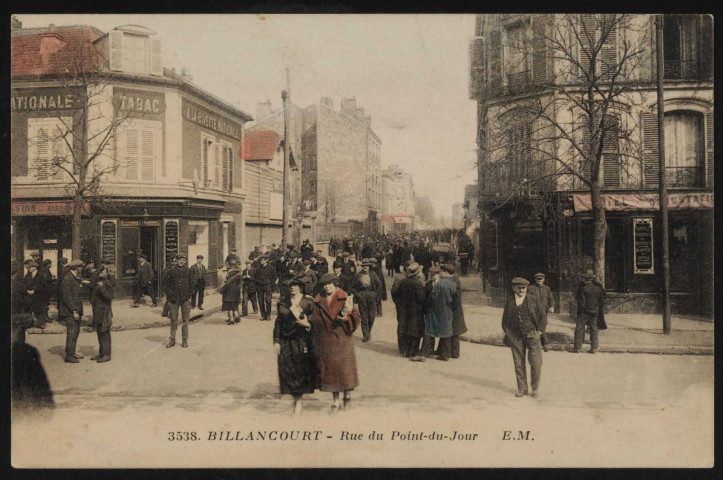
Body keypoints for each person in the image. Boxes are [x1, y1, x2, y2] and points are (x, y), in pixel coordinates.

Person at [310, 273, 361, 414]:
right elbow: (314, 318)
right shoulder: (319, 300)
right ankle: (335, 402)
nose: (327, 287)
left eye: (329, 284)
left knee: (344, 371)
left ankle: (347, 395)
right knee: (331, 374)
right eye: (325, 285)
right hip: (326, 340)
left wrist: (345, 318)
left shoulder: (345, 298)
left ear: (335, 284)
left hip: (342, 339)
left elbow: (356, 317)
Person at [273, 278, 317, 415]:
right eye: (290, 286)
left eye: (295, 286)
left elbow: (315, 320)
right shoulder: (282, 303)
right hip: (286, 341)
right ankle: (294, 396)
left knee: (300, 370)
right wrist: (276, 341)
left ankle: (299, 401)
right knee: (287, 369)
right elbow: (278, 323)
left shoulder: (308, 302)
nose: (292, 288)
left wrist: (308, 324)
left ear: (301, 288)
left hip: (302, 340)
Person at [501, 277, 546, 397]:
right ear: (513, 288)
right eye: (519, 288)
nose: (522, 290)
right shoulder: (509, 301)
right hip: (515, 335)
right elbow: (505, 320)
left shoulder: (533, 300)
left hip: (532, 334)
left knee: (536, 362)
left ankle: (535, 388)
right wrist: (508, 332)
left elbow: (543, 317)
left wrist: (539, 332)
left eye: (524, 288)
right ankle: (522, 389)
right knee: (518, 363)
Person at [411, 265, 456, 362]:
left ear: (439, 274)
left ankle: (425, 354)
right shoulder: (450, 283)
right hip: (443, 312)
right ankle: (441, 353)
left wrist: (427, 307)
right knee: (443, 332)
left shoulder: (440, 284)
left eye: (434, 274)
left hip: (436, 312)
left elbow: (432, 298)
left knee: (431, 331)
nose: (432, 276)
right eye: (430, 274)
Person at [392, 262, 426, 358]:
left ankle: (407, 351)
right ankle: (414, 352)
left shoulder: (404, 282)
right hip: (416, 311)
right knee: (416, 330)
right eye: (420, 271)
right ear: (417, 273)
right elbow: (421, 298)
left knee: (407, 329)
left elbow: (397, 294)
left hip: (406, 310)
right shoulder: (417, 283)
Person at [573, 269, 607, 354]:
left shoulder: (583, 288)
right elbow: (602, 300)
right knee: (594, 328)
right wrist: (597, 308)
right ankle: (594, 347)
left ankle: (578, 347)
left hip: (584, 312)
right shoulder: (598, 288)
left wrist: (581, 310)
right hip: (594, 311)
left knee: (580, 328)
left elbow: (581, 301)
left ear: (585, 279)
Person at [164, 253, 193, 348]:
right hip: (173, 299)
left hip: (185, 298)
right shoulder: (170, 271)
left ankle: (184, 340)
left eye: (184, 260)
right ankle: (172, 339)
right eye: (180, 260)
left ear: (186, 261)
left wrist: (188, 295)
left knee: (185, 320)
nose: (181, 261)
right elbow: (166, 285)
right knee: (173, 320)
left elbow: (193, 285)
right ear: (176, 260)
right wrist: (170, 295)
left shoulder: (189, 271)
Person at [60, 260, 85, 363]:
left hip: (75, 310)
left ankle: (72, 352)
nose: (82, 269)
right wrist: (74, 311)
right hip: (70, 311)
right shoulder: (67, 279)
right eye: (80, 267)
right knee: (72, 332)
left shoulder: (74, 278)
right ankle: (69, 355)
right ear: (76, 268)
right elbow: (67, 298)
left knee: (75, 331)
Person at [351, 259, 381, 342]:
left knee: (371, 317)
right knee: (364, 318)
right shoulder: (358, 275)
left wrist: (375, 294)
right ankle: (365, 335)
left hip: (371, 296)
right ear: (362, 267)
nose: (365, 267)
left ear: (369, 267)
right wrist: (358, 295)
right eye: (364, 266)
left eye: (367, 266)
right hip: (362, 296)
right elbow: (352, 287)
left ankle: (368, 331)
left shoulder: (373, 274)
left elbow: (379, 284)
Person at [90, 262, 115, 363]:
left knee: (104, 333)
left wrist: (102, 287)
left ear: (106, 272)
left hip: (104, 311)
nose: (100, 273)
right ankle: (101, 353)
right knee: (100, 332)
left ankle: (106, 354)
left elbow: (110, 296)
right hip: (98, 311)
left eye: (102, 271)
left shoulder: (107, 283)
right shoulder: (100, 281)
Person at [442, 263, 467, 359]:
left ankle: (446, 354)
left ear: (447, 273)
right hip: (456, 311)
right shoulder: (455, 280)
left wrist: (449, 308)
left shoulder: (452, 282)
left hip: (453, 310)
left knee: (449, 332)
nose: (441, 273)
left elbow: (456, 299)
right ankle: (455, 353)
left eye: (443, 272)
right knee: (455, 332)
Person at [529, 272, 554, 352]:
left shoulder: (547, 288)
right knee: (535, 326)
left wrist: (551, 306)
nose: (539, 280)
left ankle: (540, 343)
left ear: (544, 279)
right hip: (533, 310)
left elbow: (551, 298)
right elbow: (528, 299)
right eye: (537, 279)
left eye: (541, 279)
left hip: (543, 310)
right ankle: (545, 343)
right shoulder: (531, 288)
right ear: (535, 279)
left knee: (542, 325)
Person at [24, 259, 49, 329]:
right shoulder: (28, 275)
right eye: (28, 268)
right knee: (29, 309)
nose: (28, 269)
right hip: (30, 295)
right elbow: (25, 283)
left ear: (34, 267)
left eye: (30, 267)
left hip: (39, 296)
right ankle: (30, 323)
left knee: (40, 310)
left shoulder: (41, 275)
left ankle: (42, 323)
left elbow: (43, 286)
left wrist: (34, 291)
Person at [254, 255, 277, 321]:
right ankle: (263, 316)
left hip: (267, 286)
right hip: (259, 286)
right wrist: (257, 283)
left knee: (268, 300)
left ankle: (268, 315)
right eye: (260, 260)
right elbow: (255, 277)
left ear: (266, 260)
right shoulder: (258, 268)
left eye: (262, 260)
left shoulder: (271, 268)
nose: (261, 261)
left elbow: (275, 277)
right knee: (260, 301)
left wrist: (270, 283)